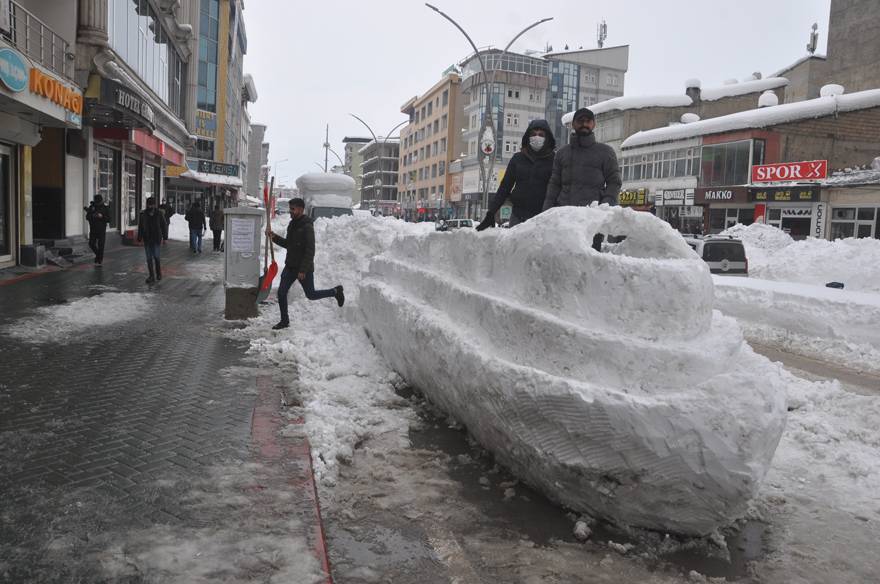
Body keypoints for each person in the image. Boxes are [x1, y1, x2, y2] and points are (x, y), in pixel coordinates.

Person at [266, 197, 344, 330]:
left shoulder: (307, 226)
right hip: (290, 266)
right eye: (290, 208)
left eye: (293, 209)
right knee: (281, 293)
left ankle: (336, 291)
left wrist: (303, 270)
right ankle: (285, 321)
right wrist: (273, 237)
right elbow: (288, 244)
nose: (290, 211)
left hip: (303, 268)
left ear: (301, 209)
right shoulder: (292, 224)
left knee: (311, 294)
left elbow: (310, 250)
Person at [477, 119, 556, 231]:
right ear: (528, 137)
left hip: (543, 217)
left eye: (541, 135)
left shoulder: (554, 160)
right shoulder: (518, 159)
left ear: (547, 138)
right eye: (533, 134)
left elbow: (558, 188)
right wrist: (491, 212)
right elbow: (505, 187)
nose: (537, 137)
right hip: (518, 216)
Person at [137, 197, 168, 284]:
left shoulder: (159, 213)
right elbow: (141, 226)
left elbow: (164, 226)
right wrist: (139, 237)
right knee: (149, 258)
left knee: (156, 256)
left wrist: (165, 237)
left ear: (154, 205)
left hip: (156, 238)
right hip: (147, 238)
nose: (150, 206)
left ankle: (159, 273)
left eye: (151, 204)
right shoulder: (143, 214)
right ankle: (151, 276)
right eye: (148, 204)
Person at [84, 195, 110, 265]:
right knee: (91, 244)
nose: (97, 203)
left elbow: (109, 219)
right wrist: (92, 215)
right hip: (93, 229)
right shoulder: (92, 207)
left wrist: (102, 216)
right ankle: (98, 255)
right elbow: (87, 217)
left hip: (101, 230)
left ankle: (99, 260)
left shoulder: (105, 208)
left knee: (101, 245)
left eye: (99, 201)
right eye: (96, 201)